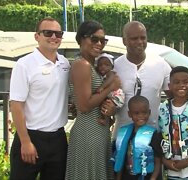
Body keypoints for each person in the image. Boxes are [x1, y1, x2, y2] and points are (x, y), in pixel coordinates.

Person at [113, 21, 188, 140]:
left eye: (143, 38)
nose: (140, 42)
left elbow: (174, 96)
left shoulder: (160, 64)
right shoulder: (116, 66)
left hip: (152, 138)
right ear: (124, 41)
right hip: (121, 138)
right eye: (134, 38)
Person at [9, 17, 70, 179]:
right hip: (31, 137)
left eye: (58, 33)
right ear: (37, 36)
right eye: (48, 33)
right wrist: (25, 142)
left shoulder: (65, 64)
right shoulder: (24, 65)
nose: (54, 37)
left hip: (58, 139)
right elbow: (16, 105)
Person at [65, 20, 121, 179]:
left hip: (98, 132)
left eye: (103, 40)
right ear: (81, 39)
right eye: (94, 39)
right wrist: (111, 87)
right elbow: (84, 106)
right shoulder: (81, 65)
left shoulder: (93, 65)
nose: (99, 43)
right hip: (87, 133)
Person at [112, 95, 162, 180]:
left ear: (149, 112)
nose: (141, 116)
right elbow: (121, 159)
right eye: (136, 113)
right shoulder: (124, 134)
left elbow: (158, 161)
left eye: (144, 112)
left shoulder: (153, 135)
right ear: (129, 114)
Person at [95, 53, 125, 126]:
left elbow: (109, 80)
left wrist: (102, 87)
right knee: (104, 105)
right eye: (100, 65)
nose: (103, 67)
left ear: (111, 67)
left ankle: (106, 120)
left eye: (106, 65)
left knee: (106, 104)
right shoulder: (101, 75)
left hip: (116, 95)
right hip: (111, 94)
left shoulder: (111, 73)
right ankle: (110, 120)